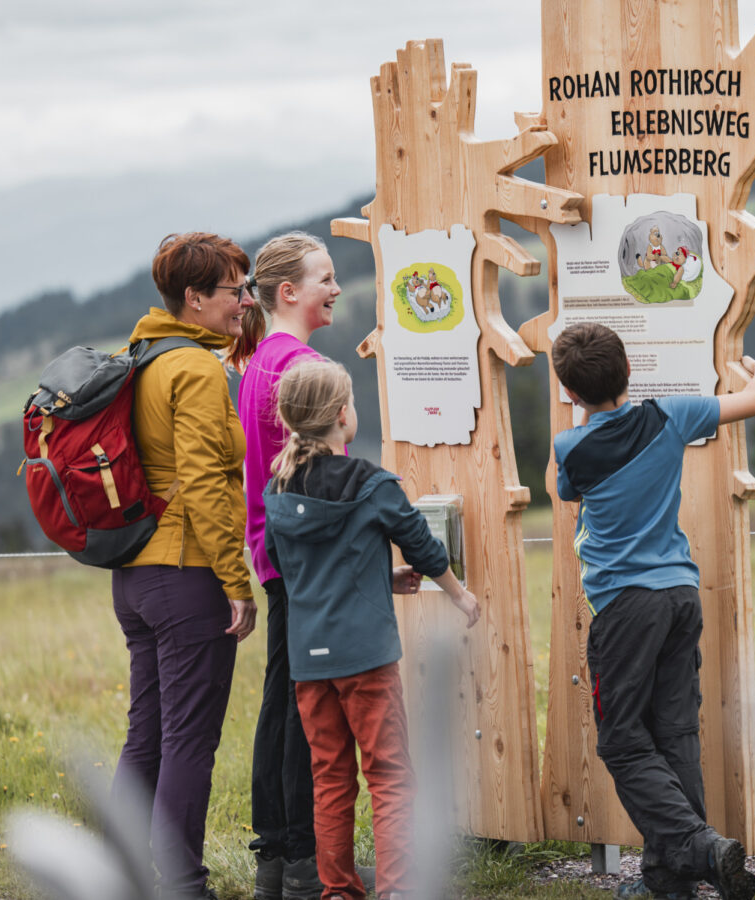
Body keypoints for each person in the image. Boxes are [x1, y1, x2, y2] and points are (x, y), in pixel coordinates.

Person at [550, 322, 755, 900]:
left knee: (622, 741)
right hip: (680, 594)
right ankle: (671, 883)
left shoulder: (572, 446)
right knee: (674, 732)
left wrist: (580, 413)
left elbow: (567, 492)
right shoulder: (672, 415)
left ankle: (700, 850)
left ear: (570, 393)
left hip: (624, 608)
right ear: (628, 371)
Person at [263, 358, 480, 900]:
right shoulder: (372, 483)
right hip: (366, 659)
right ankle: (399, 890)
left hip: (309, 663)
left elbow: (294, 565)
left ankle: (337, 892)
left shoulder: (279, 489)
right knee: (389, 777)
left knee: (330, 780)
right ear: (342, 415)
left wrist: (378, 575)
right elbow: (422, 544)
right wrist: (459, 594)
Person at [113, 231, 258, 900]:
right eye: (235, 291)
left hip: (136, 574)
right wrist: (236, 582)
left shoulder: (140, 354)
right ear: (195, 299)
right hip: (186, 572)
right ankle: (182, 885)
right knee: (189, 743)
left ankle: (118, 872)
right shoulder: (196, 371)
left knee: (147, 735)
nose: (245, 301)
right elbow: (205, 483)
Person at [231, 231, 347, 900]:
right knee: (310, 714)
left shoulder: (257, 364)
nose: (335, 289)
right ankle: (305, 863)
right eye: (325, 278)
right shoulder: (296, 368)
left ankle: (276, 860)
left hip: (274, 553)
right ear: (289, 292)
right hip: (308, 559)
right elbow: (316, 478)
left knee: (281, 706)